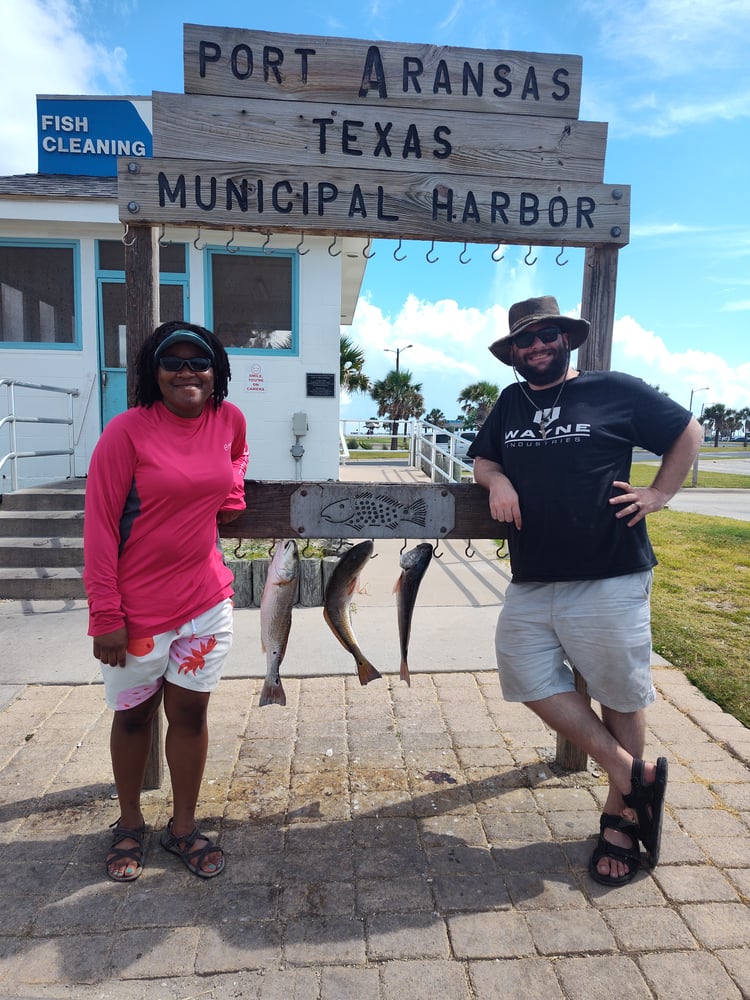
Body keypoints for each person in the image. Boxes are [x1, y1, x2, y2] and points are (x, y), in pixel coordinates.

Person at [468, 295, 703, 888]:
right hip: (533, 576)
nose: (538, 346)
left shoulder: (612, 389)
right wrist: (497, 480)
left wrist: (658, 495)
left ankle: (621, 821)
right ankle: (633, 775)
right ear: (514, 352)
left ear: (565, 339)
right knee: (522, 672)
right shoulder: (509, 402)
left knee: (619, 696)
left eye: (548, 335)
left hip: (610, 572)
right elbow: (482, 460)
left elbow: (687, 431)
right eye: (526, 340)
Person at [83, 321, 249, 882]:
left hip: (206, 602)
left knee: (191, 714)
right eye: (172, 363)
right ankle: (130, 824)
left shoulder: (228, 419)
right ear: (152, 373)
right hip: (135, 616)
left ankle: (182, 827)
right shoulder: (125, 432)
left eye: (197, 362)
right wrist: (105, 614)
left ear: (216, 371)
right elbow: (100, 528)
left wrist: (232, 492)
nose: (186, 372)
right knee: (132, 719)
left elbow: (238, 457)